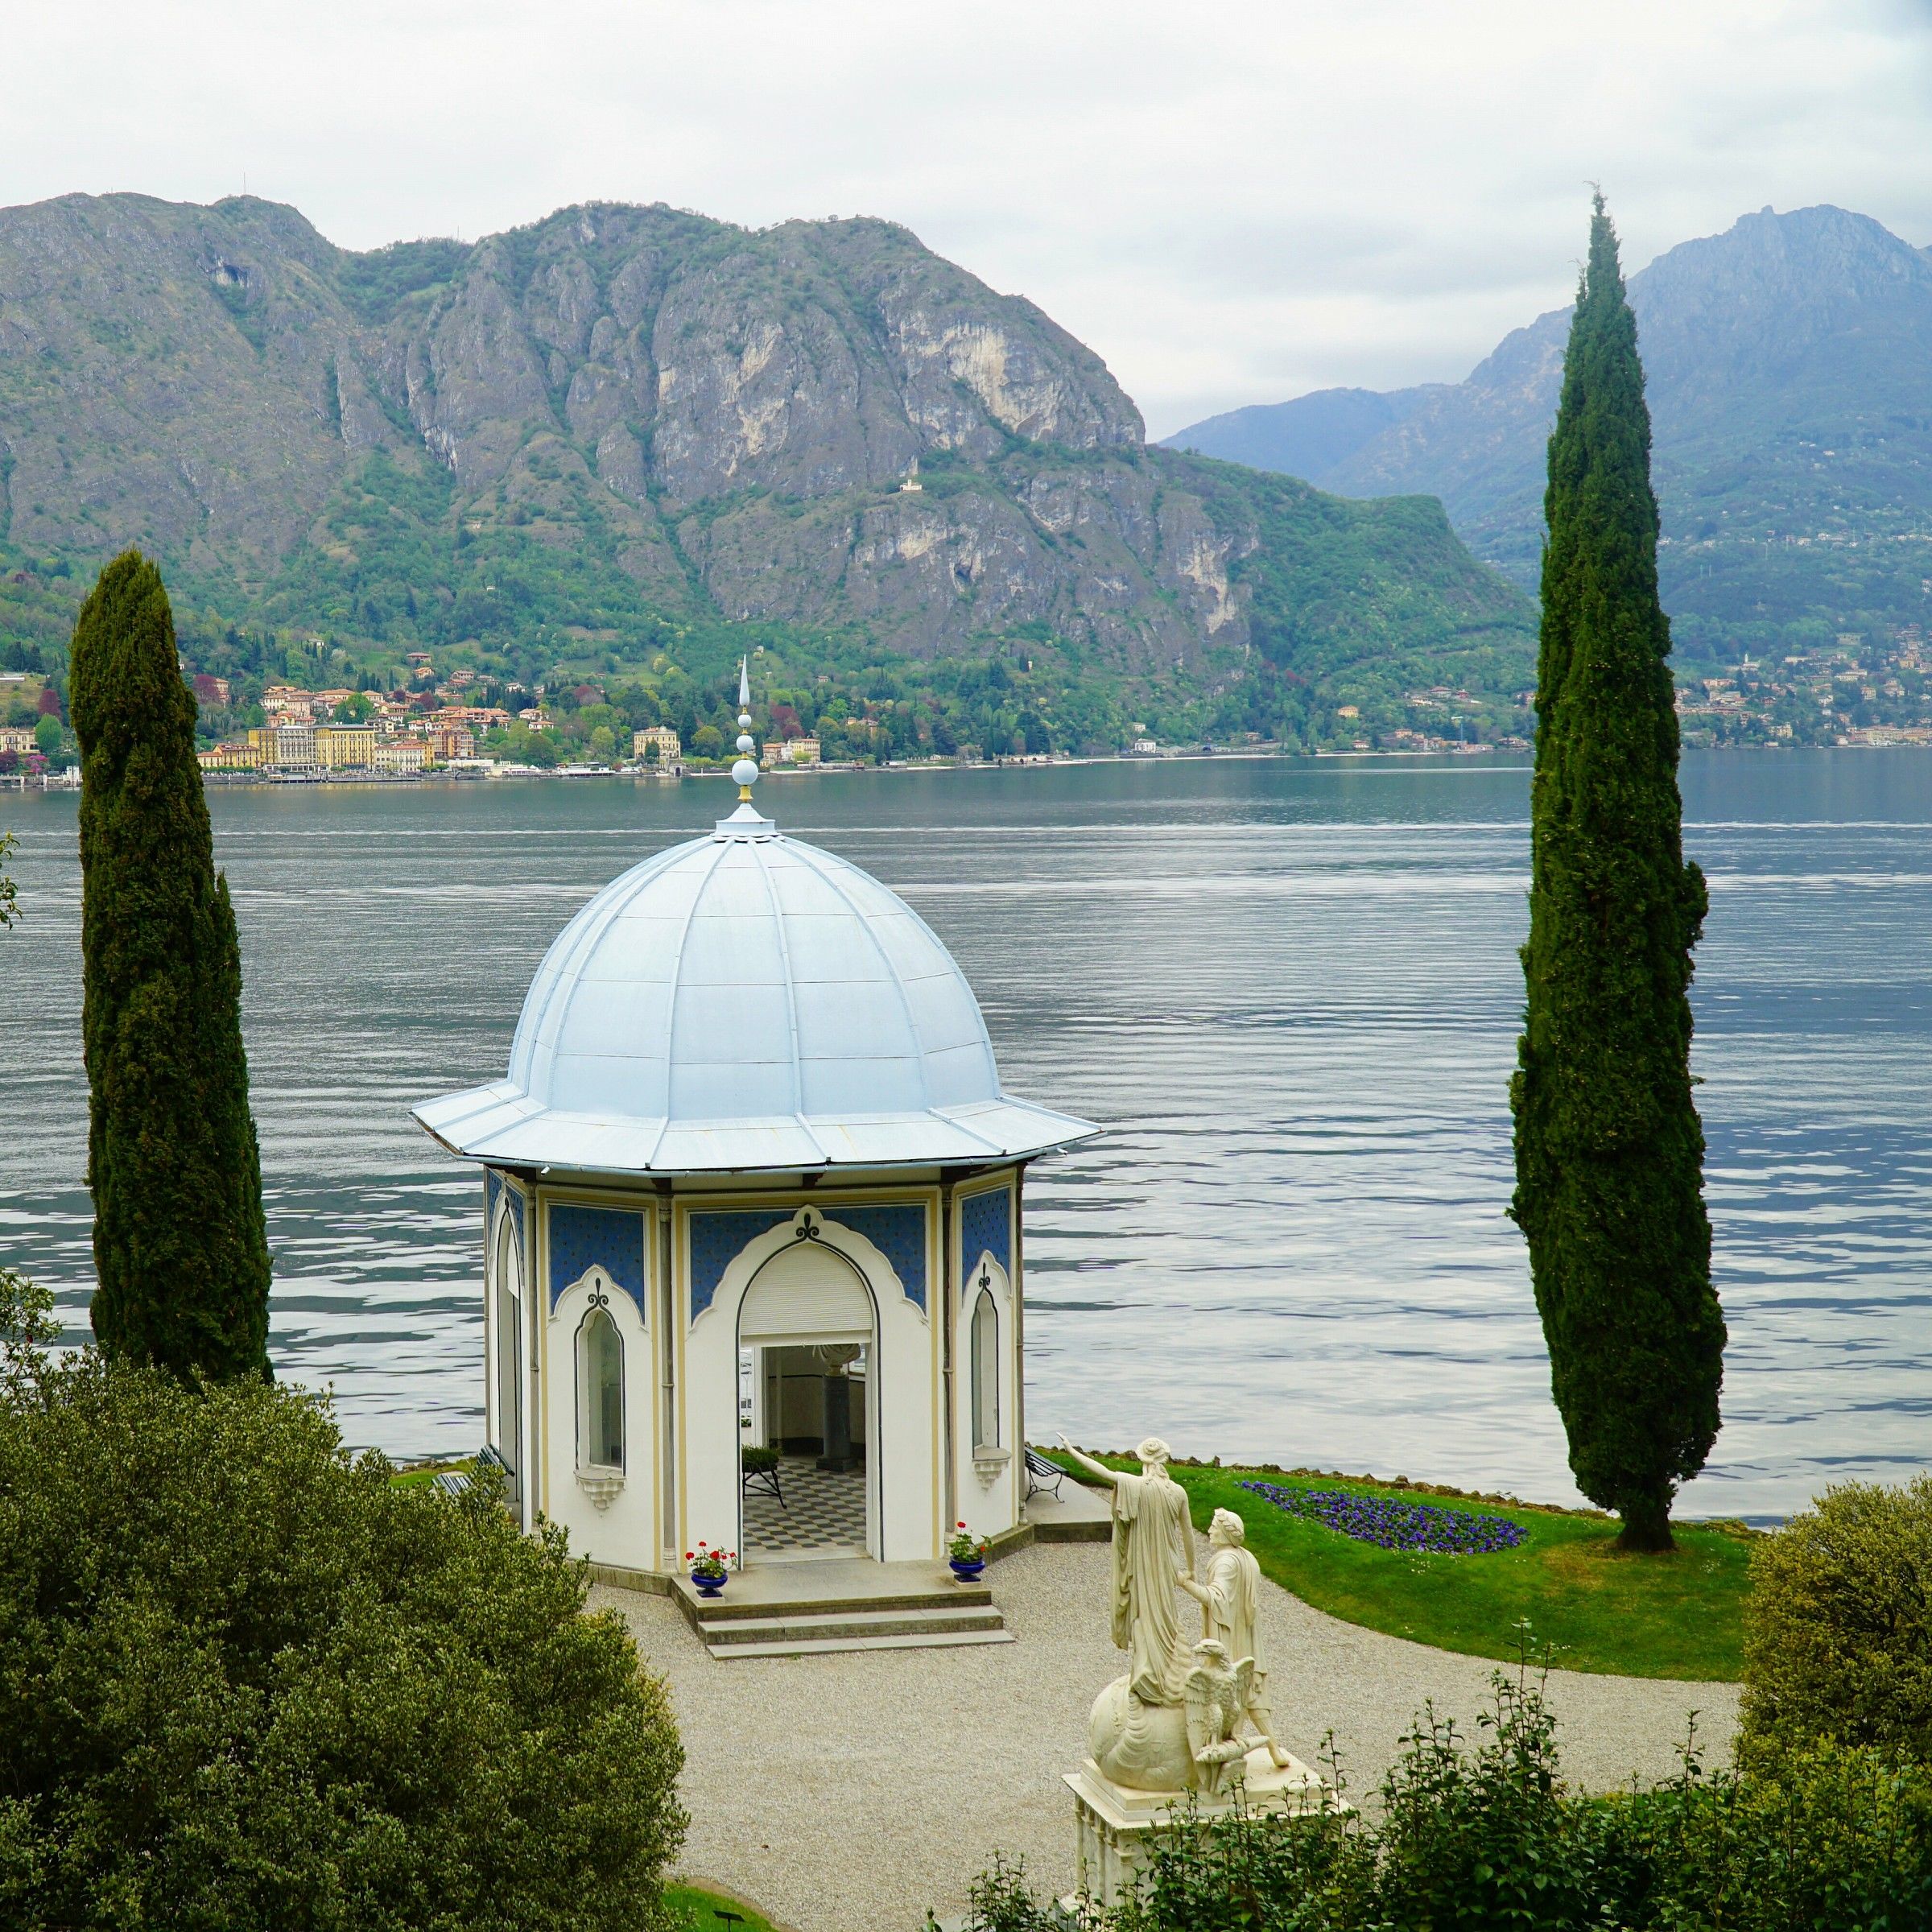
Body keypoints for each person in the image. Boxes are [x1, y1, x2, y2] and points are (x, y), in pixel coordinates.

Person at [1058, 1434, 1195, 1704]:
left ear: (1144, 1462)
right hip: (1166, 1566)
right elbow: (1188, 1534)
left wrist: (1072, 1450)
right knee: (1164, 1618)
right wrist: (1191, 1570)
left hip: (1143, 1564)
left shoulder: (1135, 1486)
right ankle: (1159, 1674)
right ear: (1164, 1460)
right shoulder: (1178, 1492)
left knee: (1144, 1616)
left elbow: (1104, 1472)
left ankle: (1148, 1675)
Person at [1178, 1507, 1291, 1767]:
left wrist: (1183, 1583)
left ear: (1226, 1533)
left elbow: (1214, 1598)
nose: (1208, 1530)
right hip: (1246, 1633)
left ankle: (1234, 1747)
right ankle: (1274, 1748)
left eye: (1213, 1527)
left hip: (1230, 1636)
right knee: (1253, 1693)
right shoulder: (1247, 1558)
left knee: (1230, 1693)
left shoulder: (1227, 1562)